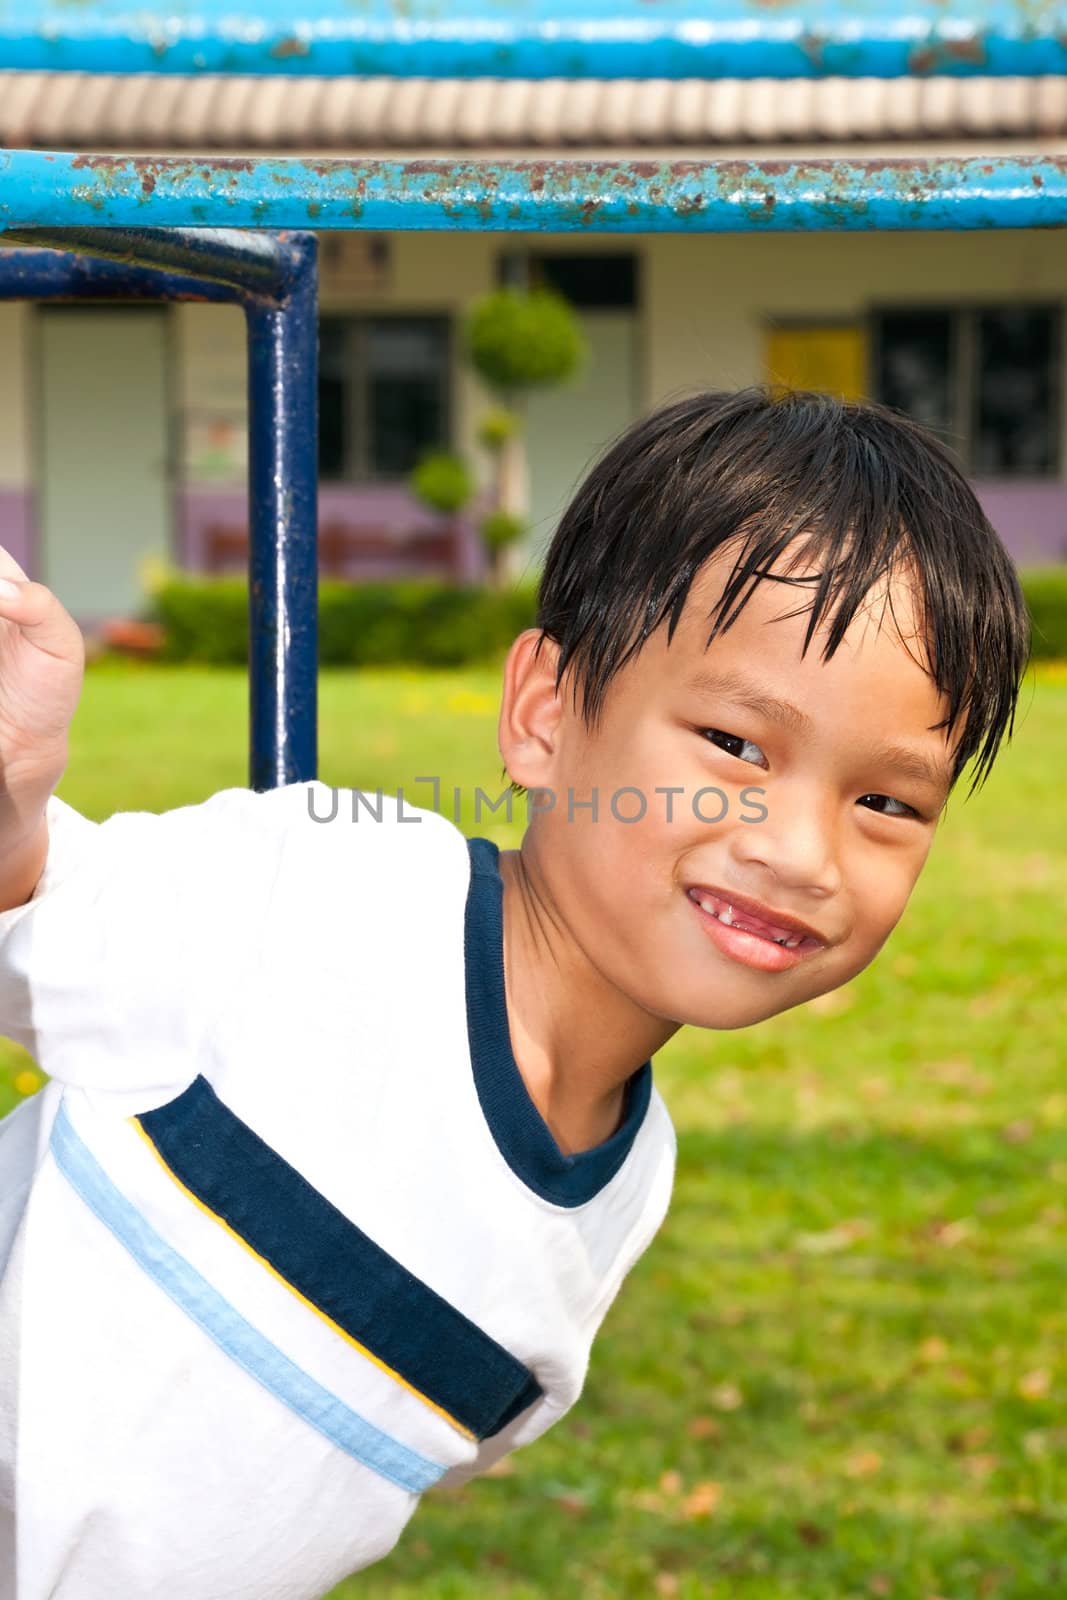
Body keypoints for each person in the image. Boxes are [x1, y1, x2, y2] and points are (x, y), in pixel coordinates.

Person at [0, 388, 1030, 1599]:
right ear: (544, 715)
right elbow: (45, 908)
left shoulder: (627, 1179)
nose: (800, 851)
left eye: (885, 804)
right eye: (737, 746)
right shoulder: (335, 897)